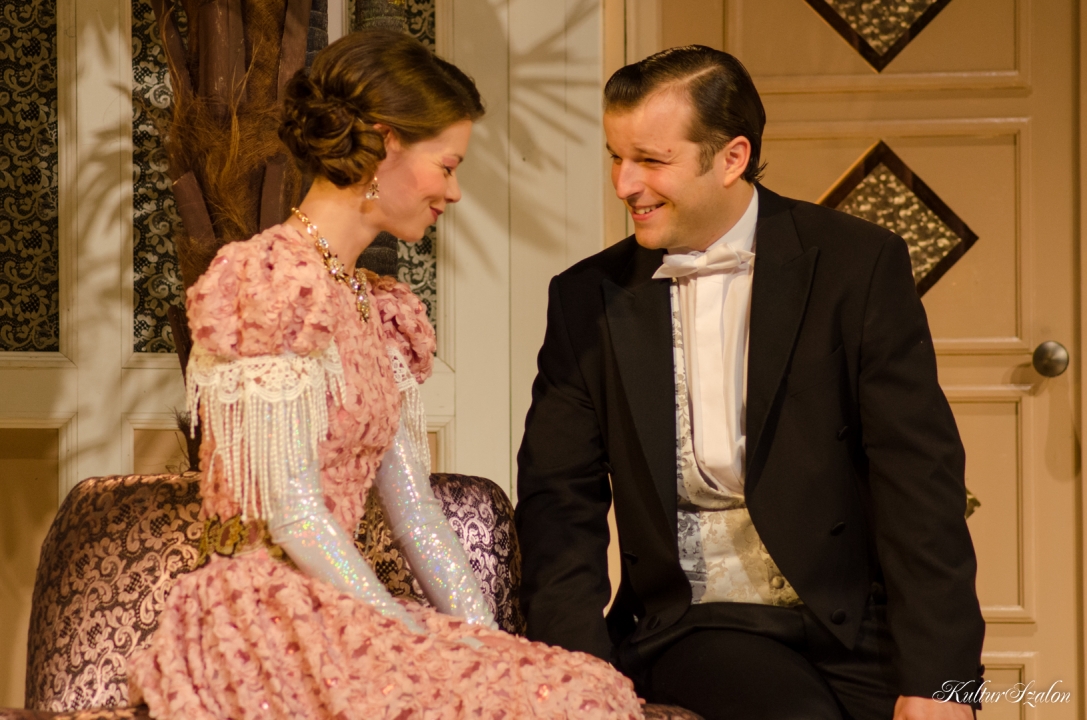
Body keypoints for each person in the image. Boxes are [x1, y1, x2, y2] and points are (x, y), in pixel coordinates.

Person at [127, 29, 644, 719]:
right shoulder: (269, 285)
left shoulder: (376, 307)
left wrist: (481, 641)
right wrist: (402, 635)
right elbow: (293, 515)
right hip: (261, 618)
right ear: (385, 143)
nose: (454, 192)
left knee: (583, 691)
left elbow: (417, 516)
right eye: (447, 165)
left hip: (340, 606)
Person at [516, 45, 985, 720]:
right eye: (616, 157)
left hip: (854, 626)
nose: (623, 183)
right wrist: (577, 678)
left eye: (650, 160)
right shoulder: (584, 298)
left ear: (731, 157)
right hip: (695, 624)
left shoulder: (855, 265)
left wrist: (942, 681)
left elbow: (919, 480)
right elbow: (559, 503)